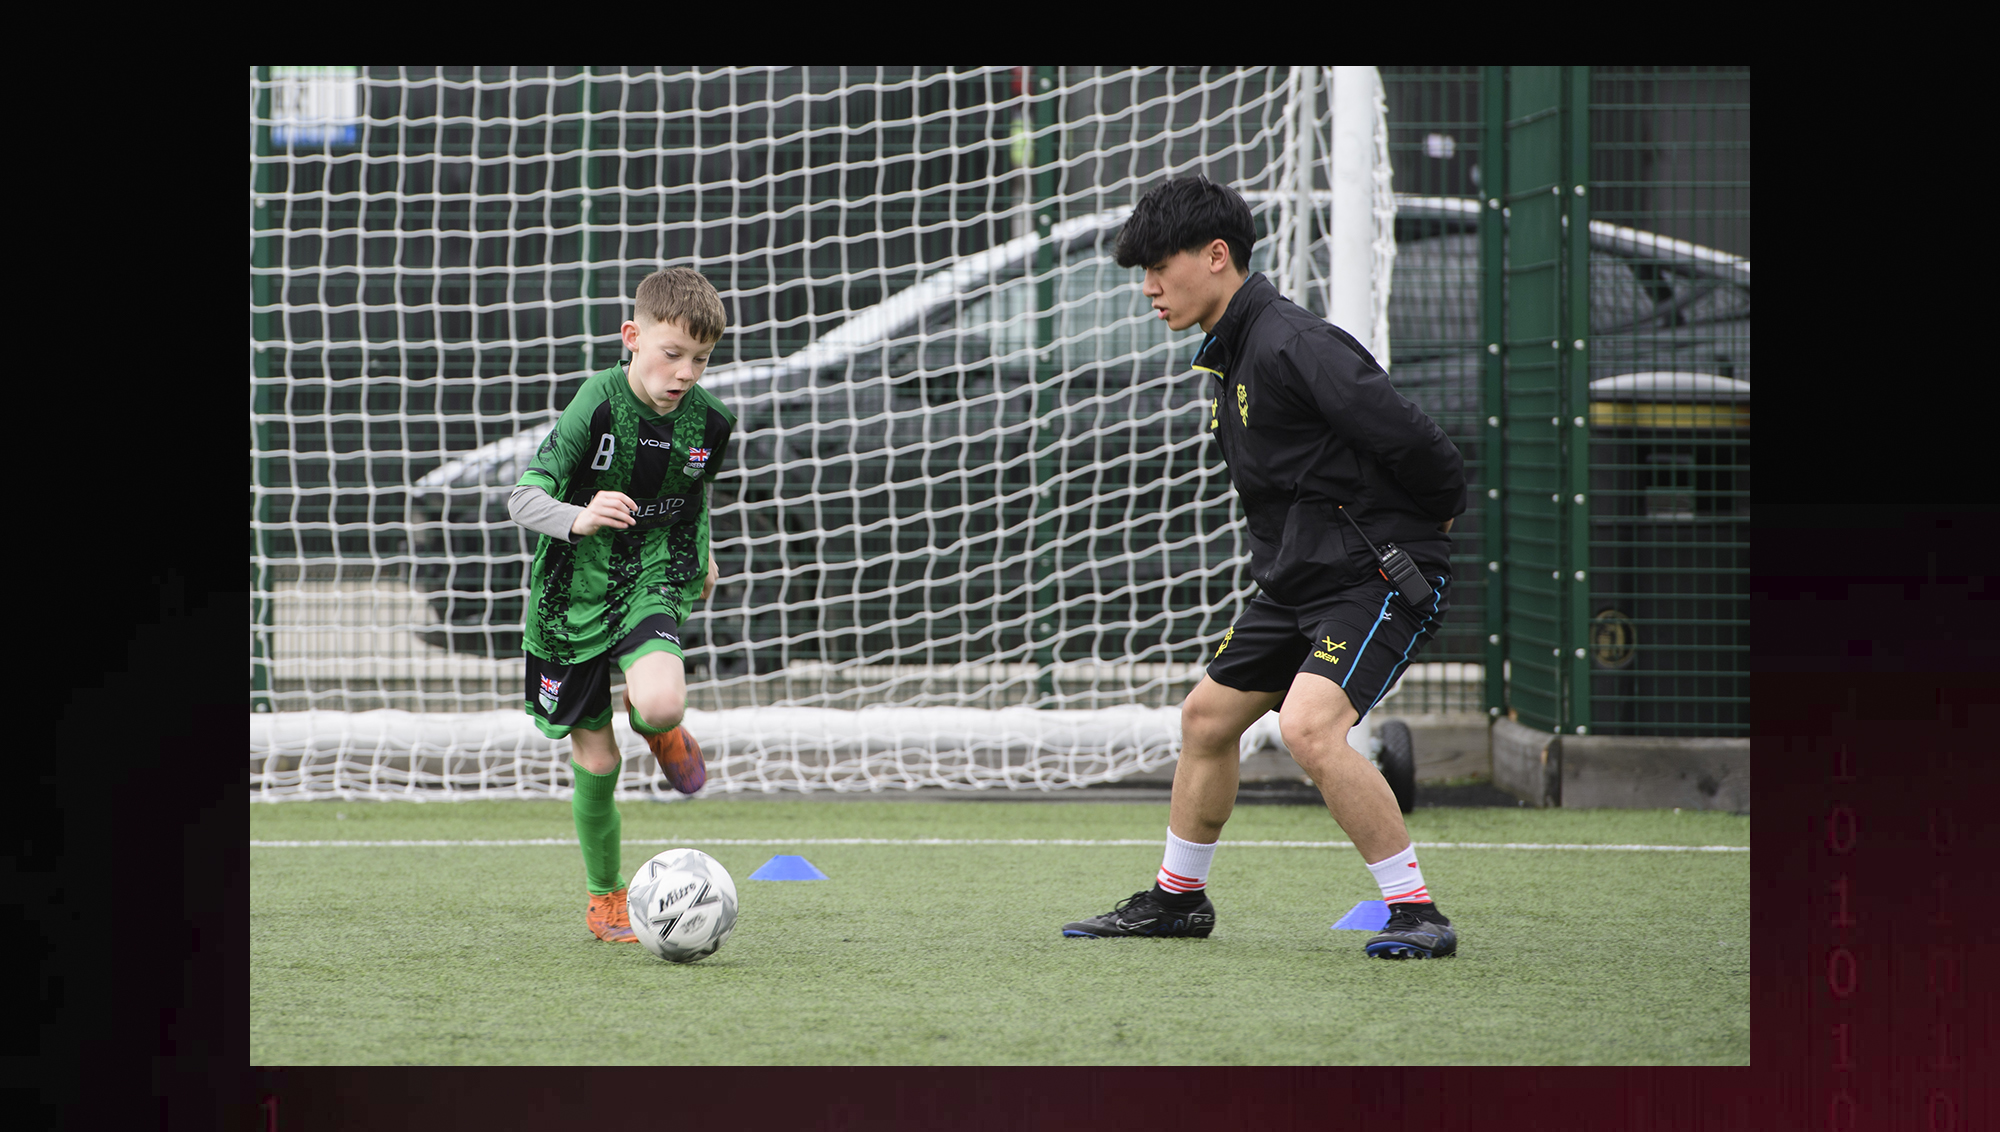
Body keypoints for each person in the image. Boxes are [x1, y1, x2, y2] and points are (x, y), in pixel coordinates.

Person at [1061, 176, 1467, 959]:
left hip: (1374, 576)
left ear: (1216, 256)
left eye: (1159, 267)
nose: (1149, 288)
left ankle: (1417, 912)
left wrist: (1427, 526)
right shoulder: (1233, 350)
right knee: (1206, 720)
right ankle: (1178, 900)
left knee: (1308, 727)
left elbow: (1423, 447)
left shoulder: (1293, 342)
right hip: (1299, 582)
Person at [508, 266, 735, 943]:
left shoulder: (712, 421)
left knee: (663, 702)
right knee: (599, 761)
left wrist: (702, 557)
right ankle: (605, 897)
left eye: (701, 358)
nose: (686, 372)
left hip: (650, 575)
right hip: (569, 597)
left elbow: (693, 499)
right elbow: (523, 497)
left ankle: (654, 724)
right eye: (673, 353)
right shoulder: (598, 404)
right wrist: (578, 515)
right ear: (633, 337)